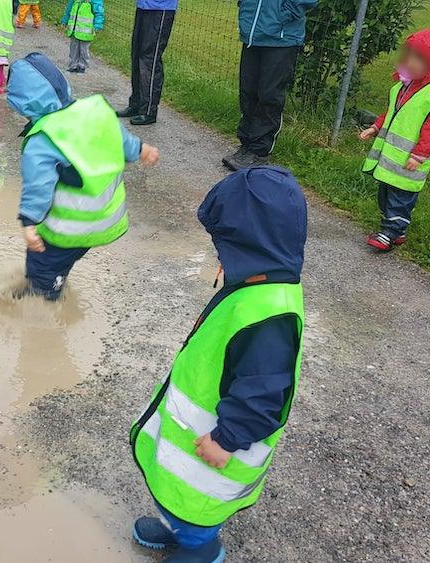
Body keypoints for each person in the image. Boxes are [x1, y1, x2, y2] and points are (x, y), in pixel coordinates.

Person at [131, 166, 307, 563]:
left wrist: (228, 439)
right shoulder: (261, 280)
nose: (218, 251)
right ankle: (179, 525)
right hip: (198, 445)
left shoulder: (268, 317)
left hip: (215, 446)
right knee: (181, 500)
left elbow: (263, 392)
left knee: (197, 512)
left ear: (248, 242)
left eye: (225, 243)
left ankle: (201, 550)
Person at [6, 53, 160, 300]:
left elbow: (39, 186)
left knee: (42, 264)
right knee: (64, 259)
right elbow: (120, 138)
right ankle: (56, 280)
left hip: (68, 228)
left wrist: (29, 221)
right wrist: (142, 149)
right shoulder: (94, 111)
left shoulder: (43, 138)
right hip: (104, 222)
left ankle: (42, 304)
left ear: (21, 103)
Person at [359, 28, 430, 251]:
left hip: (411, 161)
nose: (411, 62)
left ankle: (389, 232)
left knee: (401, 198)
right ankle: (395, 230)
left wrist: (420, 156)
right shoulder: (402, 86)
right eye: (409, 55)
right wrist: (375, 126)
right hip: (391, 162)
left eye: (419, 59)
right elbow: (392, 112)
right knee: (386, 195)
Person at [222, 0, 317, 170]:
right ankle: (247, 145)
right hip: (253, 33)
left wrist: (285, 14)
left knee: (269, 95)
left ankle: (259, 151)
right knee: (248, 92)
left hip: (281, 38)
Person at [114, 0, 177, 125]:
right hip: (143, 6)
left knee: (150, 58)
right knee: (137, 55)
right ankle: (136, 105)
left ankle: (148, 111)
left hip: (160, 9)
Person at [61, 0, 104, 73]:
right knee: (73, 48)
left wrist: (98, 24)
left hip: (86, 31)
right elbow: (68, 9)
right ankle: (73, 64)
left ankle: (82, 65)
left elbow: (99, 13)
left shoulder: (95, 1)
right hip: (74, 30)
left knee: (84, 49)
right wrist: (64, 20)